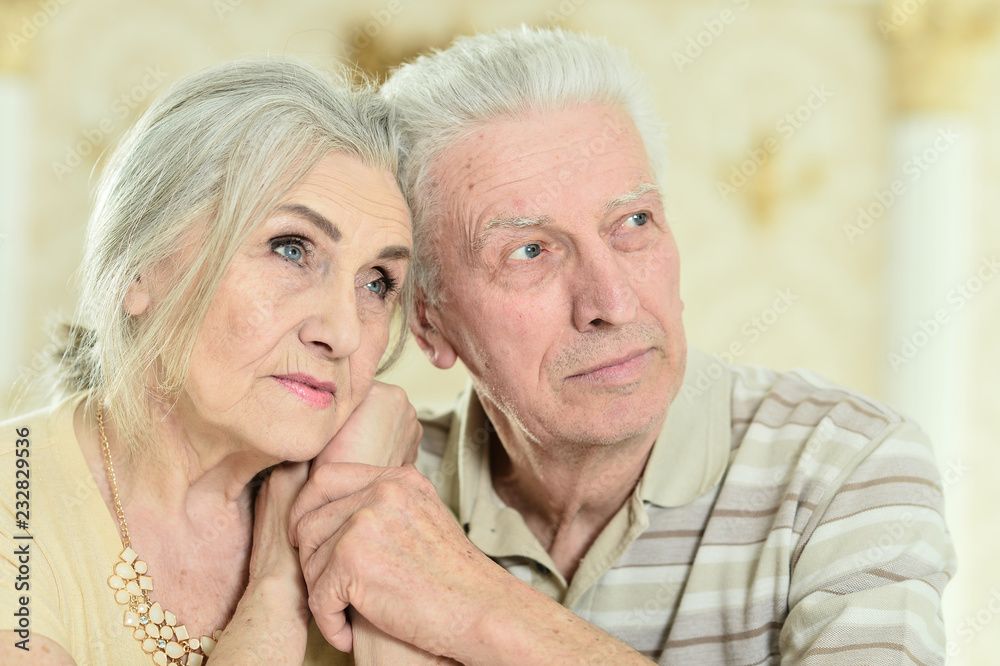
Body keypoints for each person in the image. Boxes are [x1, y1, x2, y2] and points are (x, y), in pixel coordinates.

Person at [290, 27, 957, 664]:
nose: (612, 303)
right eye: (530, 251)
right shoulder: (363, 488)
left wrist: (480, 608)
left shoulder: (846, 463)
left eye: (633, 221)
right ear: (428, 322)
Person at [0, 58, 421, 665]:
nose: (345, 333)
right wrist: (279, 585)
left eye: (377, 281)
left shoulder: (384, 505)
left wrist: (371, 527)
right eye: (291, 249)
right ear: (139, 266)